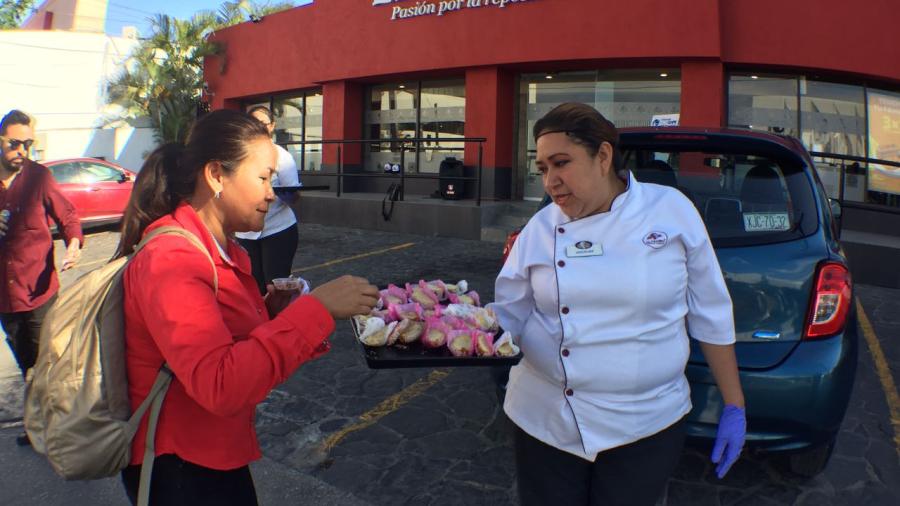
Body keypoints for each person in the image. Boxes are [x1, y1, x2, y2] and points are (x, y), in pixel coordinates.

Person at [115, 109, 379, 506]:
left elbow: (226, 346)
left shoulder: (222, 247)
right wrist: (317, 311)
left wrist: (272, 315)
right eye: (263, 178)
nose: (272, 192)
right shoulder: (172, 258)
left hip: (213, 451)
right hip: (179, 465)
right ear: (217, 175)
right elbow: (220, 385)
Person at [491, 103, 746, 506]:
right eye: (542, 169)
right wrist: (450, 325)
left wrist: (734, 404)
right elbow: (508, 313)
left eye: (562, 163)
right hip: (545, 420)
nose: (550, 181)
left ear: (604, 156)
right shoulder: (539, 229)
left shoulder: (671, 211)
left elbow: (710, 313)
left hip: (645, 424)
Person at [0, 109, 82, 447]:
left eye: (28, 144)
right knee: (25, 361)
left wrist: (73, 244)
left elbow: (67, 215)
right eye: (15, 144)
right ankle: (42, 422)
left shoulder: (39, 177)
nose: (22, 151)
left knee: (44, 361)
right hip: (4, 296)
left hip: (40, 291)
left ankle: (51, 426)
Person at [235, 106, 301, 294]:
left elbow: (295, 198)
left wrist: (285, 193)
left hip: (278, 230)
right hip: (245, 233)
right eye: (253, 123)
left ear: (272, 126)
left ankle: (280, 323)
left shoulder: (282, 156)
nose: (258, 127)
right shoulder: (238, 155)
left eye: (262, 124)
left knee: (275, 288)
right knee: (252, 287)